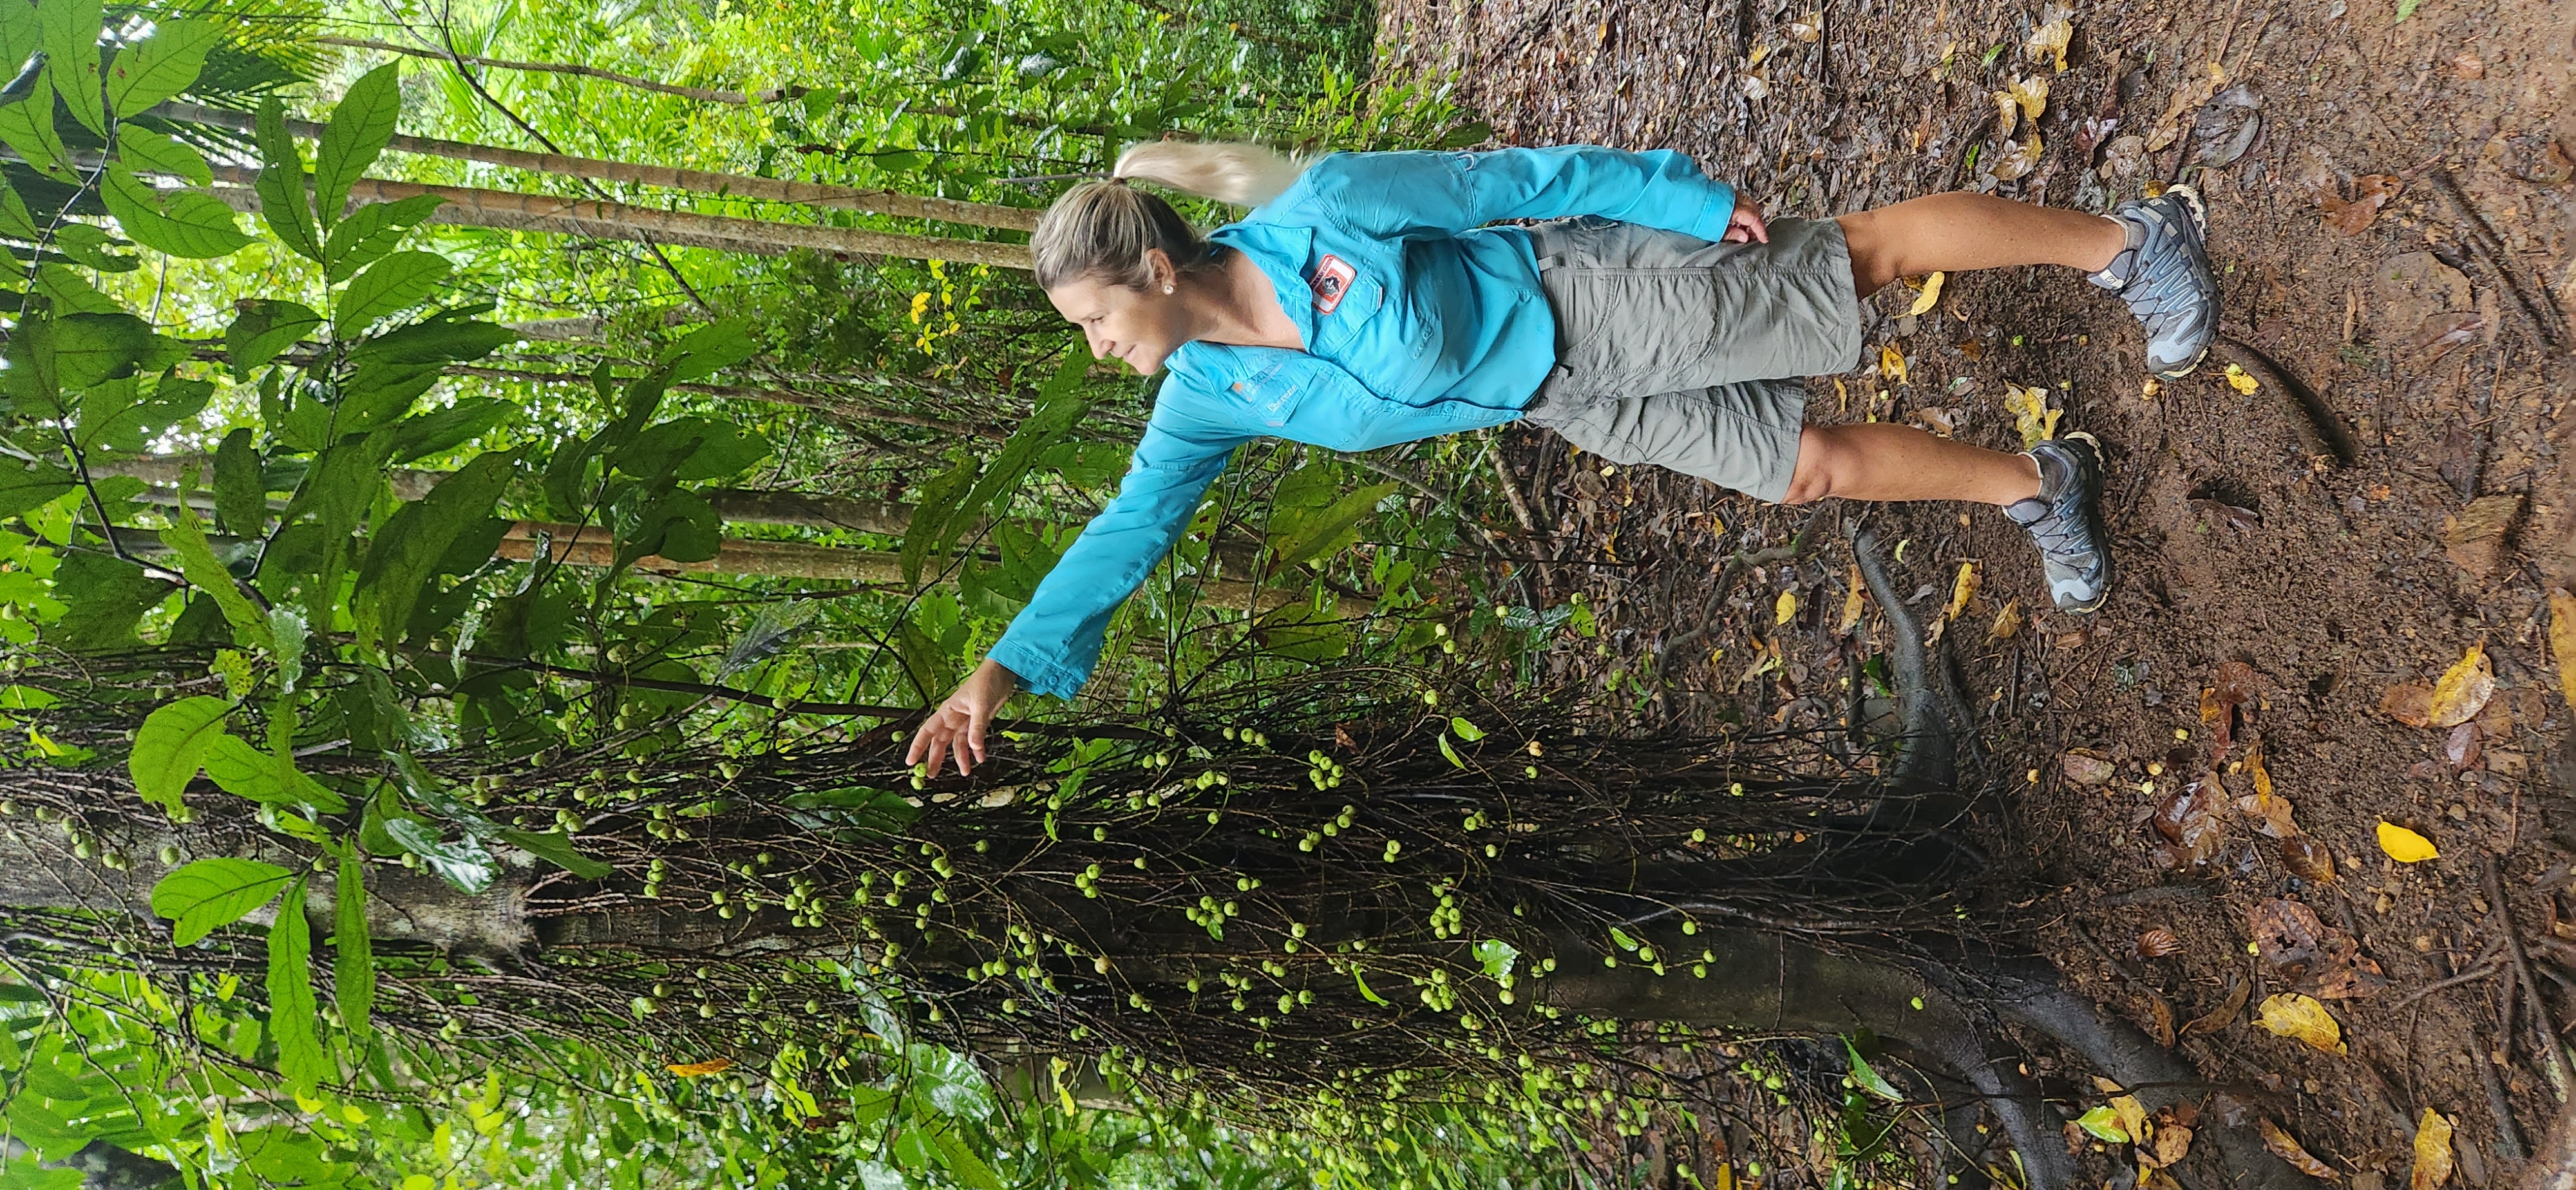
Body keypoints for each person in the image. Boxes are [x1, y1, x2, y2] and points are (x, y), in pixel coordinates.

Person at [906, 141, 2219, 776]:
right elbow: (1127, 529)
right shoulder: (1208, 392)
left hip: (1591, 288)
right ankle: (2040, 489)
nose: (1092, 350)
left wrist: (1685, 201)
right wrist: (995, 674)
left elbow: (1506, 180)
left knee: (1849, 260)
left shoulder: (1322, 216)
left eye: (1091, 320)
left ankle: (2126, 243)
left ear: (1148, 270)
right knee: (1801, 468)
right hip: (1562, 397)